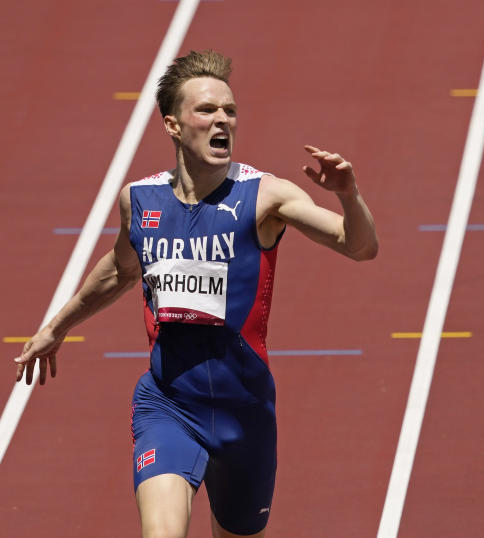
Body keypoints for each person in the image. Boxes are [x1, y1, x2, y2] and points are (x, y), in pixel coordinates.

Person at [14, 50, 378, 538]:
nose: (222, 119)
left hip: (244, 413)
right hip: (168, 405)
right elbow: (119, 271)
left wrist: (348, 196)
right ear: (172, 125)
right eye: (206, 110)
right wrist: (55, 328)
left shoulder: (266, 196)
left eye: (229, 110)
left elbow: (360, 246)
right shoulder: (139, 200)